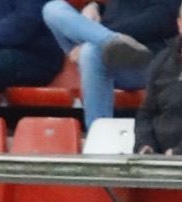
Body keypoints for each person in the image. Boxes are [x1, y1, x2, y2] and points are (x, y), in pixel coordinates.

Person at [41, 0, 174, 127]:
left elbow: (160, 20)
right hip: (105, 49)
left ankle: (98, 133)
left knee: (90, 51)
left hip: (145, 61)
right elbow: (117, 11)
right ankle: (109, 40)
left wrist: (98, 34)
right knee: (53, 8)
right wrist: (94, 6)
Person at [135, 9, 182, 155]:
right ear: (179, 24)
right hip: (159, 158)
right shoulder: (162, 60)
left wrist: (177, 152)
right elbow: (145, 113)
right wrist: (145, 144)